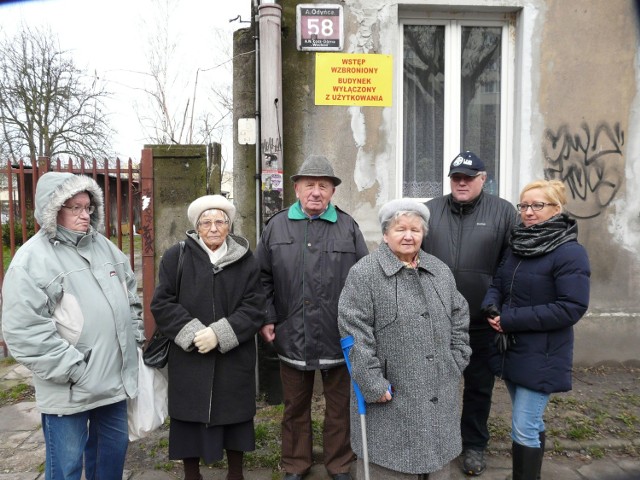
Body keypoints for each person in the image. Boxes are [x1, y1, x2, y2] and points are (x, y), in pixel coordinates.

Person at [1, 172, 144, 480]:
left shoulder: (105, 248)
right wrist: (75, 370)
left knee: (109, 465)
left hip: (113, 385)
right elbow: (22, 330)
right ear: (54, 209)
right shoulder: (32, 260)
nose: (84, 215)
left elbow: (130, 297)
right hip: (69, 388)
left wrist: (134, 339)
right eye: (75, 207)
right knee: (65, 469)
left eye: (88, 207)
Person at [338, 199, 471, 479]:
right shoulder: (364, 274)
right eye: (400, 229)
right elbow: (354, 333)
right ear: (386, 234)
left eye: (415, 229)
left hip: (439, 387)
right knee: (391, 464)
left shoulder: (439, 270)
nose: (408, 236)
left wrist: (456, 358)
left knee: (437, 462)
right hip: (392, 392)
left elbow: (460, 314)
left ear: (423, 234)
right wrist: (373, 383)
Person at [256, 155, 369, 480]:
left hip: (340, 335)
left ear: (333, 191)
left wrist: (360, 326)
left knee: (339, 407)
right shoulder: (276, 226)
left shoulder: (348, 227)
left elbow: (364, 279)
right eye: (309, 185)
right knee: (294, 407)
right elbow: (261, 278)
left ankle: (338, 464)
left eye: (323, 185)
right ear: (296, 188)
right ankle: (296, 464)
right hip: (291, 332)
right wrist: (267, 317)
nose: (316, 192)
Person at [150, 194, 266, 480]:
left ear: (229, 226)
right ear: (196, 227)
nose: (213, 228)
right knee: (188, 419)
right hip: (190, 357)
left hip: (233, 355)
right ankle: (192, 474)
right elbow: (162, 303)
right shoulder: (176, 256)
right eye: (206, 222)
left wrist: (219, 333)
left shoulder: (246, 260)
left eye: (220, 221)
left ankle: (235, 473)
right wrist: (191, 332)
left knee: (235, 418)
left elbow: (254, 306)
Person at [481, 180, 590, 480]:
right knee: (530, 422)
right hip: (514, 349)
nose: (528, 212)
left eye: (537, 205)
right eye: (524, 205)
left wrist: (510, 319)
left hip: (542, 353)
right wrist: (491, 306)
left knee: (524, 425)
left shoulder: (569, 253)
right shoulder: (520, 244)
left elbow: (571, 307)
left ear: (557, 209)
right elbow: (499, 283)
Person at [421, 151, 518, 476]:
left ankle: (474, 445)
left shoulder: (503, 212)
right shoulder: (429, 211)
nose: (461, 183)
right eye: (456, 178)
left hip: (480, 322)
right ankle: (433, 444)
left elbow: (511, 265)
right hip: (434, 321)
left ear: (482, 178)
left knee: (478, 387)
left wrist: (501, 305)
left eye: (468, 177)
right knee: (433, 387)